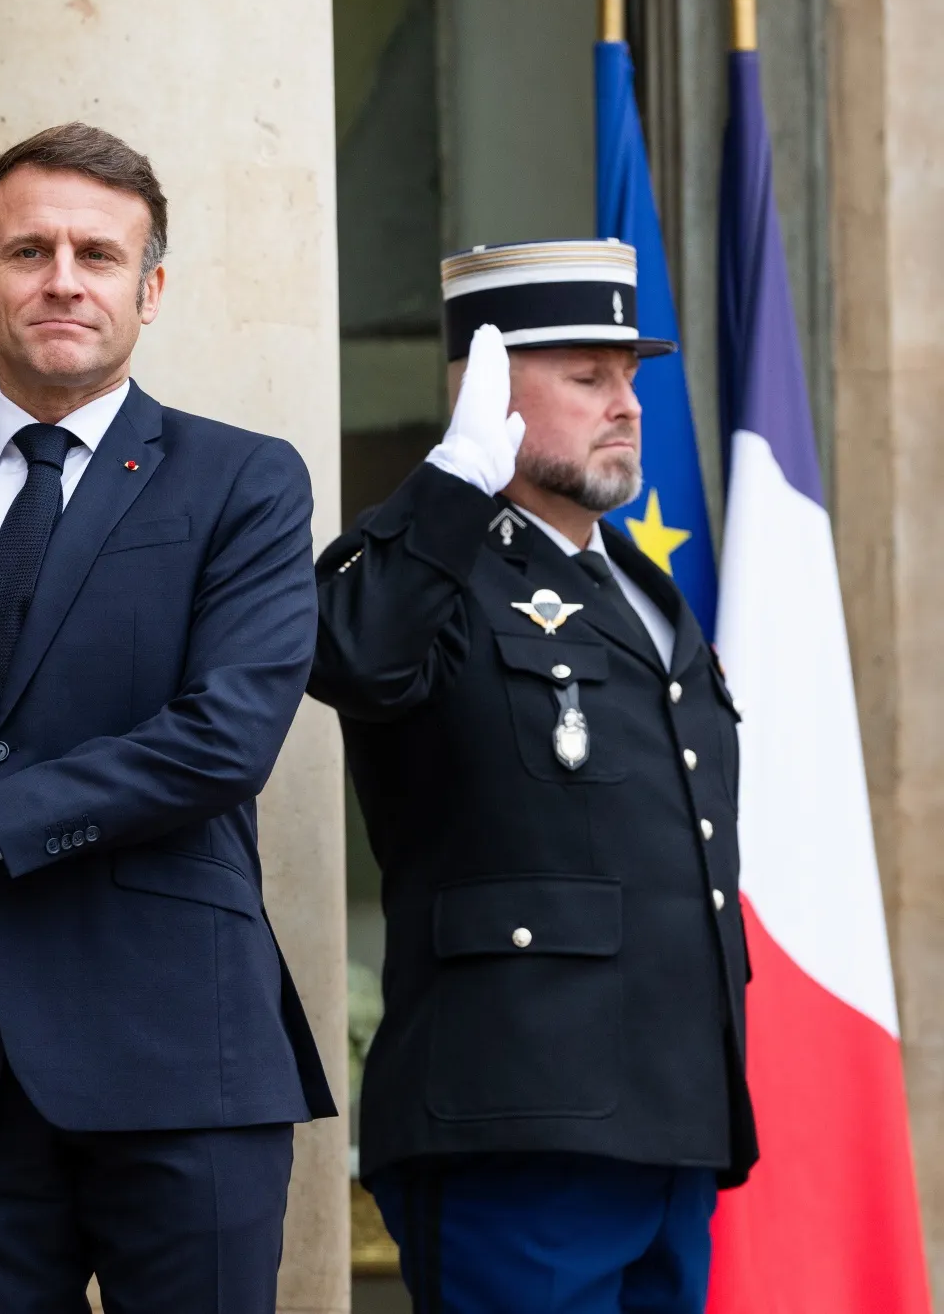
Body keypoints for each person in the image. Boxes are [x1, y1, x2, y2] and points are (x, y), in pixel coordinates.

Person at [0, 122, 336, 1314]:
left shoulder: (242, 482)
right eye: (28, 251)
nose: (63, 279)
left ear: (151, 289)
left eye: (98, 253)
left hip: (181, 1060)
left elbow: (225, 739)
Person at [311, 240, 756, 1313]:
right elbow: (351, 655)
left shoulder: (641, 590)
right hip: (511, 1119)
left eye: (629, 377)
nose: (626, 405)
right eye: (587, 377)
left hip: (670, 1120)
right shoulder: (437, 571)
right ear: (491, 394)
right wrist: (451, 480)